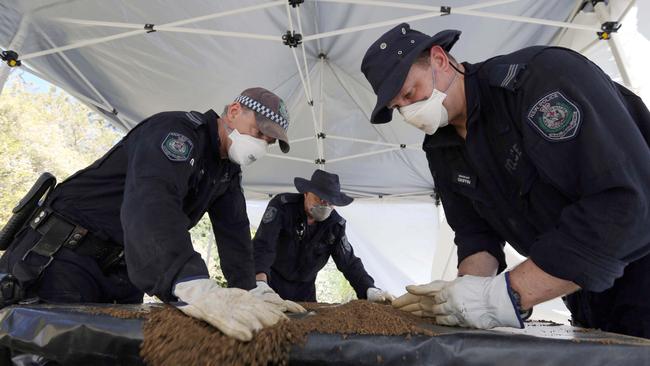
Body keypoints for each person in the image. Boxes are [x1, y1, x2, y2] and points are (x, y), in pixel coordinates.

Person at [360, 23, 650, 338]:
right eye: (398, 108)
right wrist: (463, 298)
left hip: (640, 267)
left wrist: (506, 294)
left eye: (410, 94)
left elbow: (624, 205)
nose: (410, 112)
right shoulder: (441, 148)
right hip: (579, 287)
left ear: (440, 61)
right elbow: (475, 235)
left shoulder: (537, 82)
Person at [0, 87, 306, 341]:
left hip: (121, 271)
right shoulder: (176, 134)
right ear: (235, 111)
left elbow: (235, 231)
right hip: (62, 256)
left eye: (268, 141)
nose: (261, 144)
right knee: (50, 350)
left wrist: (252, 288)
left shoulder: (225, 171)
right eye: (259, 132)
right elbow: (154, 203)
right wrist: (189, 282)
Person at [253, 169, 394, 303]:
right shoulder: (283, 206)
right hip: (271, 283)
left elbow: (349, 262)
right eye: (319, 199)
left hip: (305, 292)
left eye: (330, 202)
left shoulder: (335, 225)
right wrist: (259, 282)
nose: (324, 205)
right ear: (306, 193)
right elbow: (263, 244)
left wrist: (369, 288)